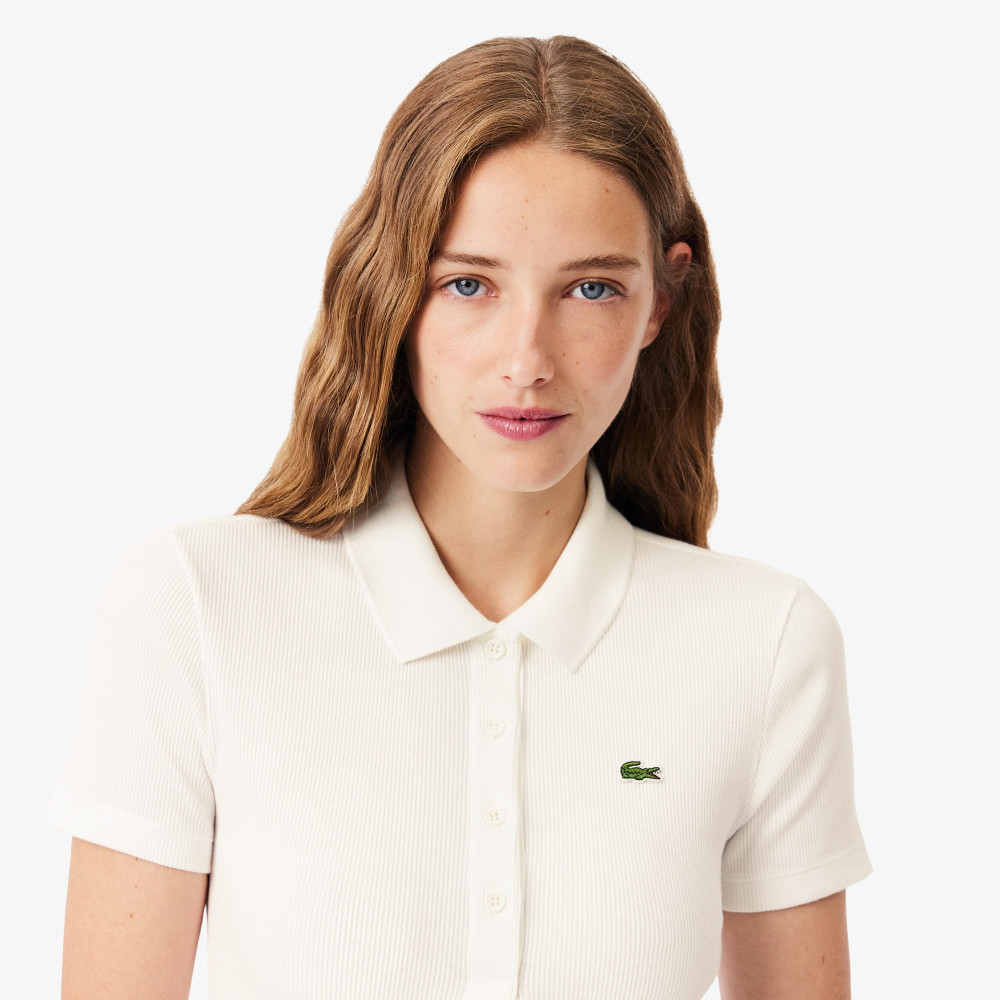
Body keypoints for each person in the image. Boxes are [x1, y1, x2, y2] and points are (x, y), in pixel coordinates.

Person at [46, 34, 872, 1000]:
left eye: (591, 288)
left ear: (662, 298)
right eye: (468, 284)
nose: (528, 360)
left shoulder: (765, 644)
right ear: (392, 284)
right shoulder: (194, 606)